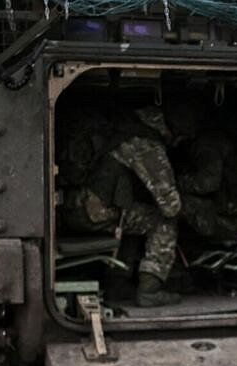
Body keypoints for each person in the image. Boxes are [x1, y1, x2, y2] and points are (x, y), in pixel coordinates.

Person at [58, 104, 184, 306]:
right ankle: (150, 289)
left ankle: (117, 284)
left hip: (71, 208)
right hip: (95, 212)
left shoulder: (114, 134)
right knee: (163, 221)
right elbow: (171, 206)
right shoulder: (144, 143)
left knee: (132, 217)